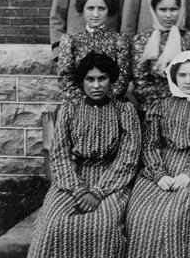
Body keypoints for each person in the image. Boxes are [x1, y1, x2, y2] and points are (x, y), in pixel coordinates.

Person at [29, 53, 140, 258]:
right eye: (90, 79)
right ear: (82, 81)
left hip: (112, 181)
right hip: (72, 179)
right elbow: (60, 154)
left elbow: (128, 157)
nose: (96, 85)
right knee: (54, 223)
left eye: (102, 78)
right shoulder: (69, 110)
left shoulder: (124, 111)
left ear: (111, 80)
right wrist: (79, 190)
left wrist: (97, 192)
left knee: (104, 224)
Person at [126, 51, 190, 258]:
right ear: (174, 77)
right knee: (140, 215)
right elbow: (151, 145)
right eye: (182, 75)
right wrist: (159, 175)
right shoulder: (161, 106)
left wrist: (188, 174)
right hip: (163, 166)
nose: (188, 81)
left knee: (175, 217)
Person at [131, 0, 190, 111]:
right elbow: (140, 80)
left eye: (173, 9)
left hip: (187, 107)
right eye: (163, 10)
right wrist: (161, 106)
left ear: (180, 9)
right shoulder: (142, 40)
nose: (168, 15)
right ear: (154, 10)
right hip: (151, 108)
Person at [57, 0, 130, 102]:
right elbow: (65, 80)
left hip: (112, 105)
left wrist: (104, 102)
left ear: (109, 10)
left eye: (101, 8)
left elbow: (122, 79)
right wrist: (86, 104)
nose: (95, 14)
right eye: (90, 8)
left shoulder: (119, 40)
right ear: (83, 9)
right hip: (79, 106)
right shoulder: (71, 41)